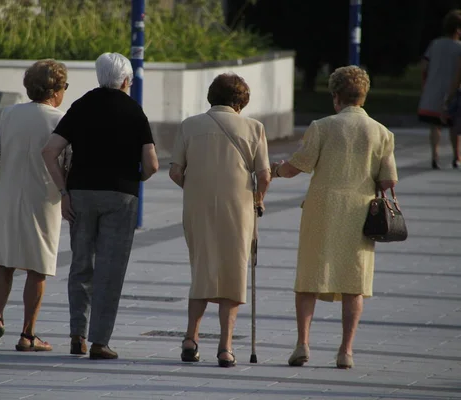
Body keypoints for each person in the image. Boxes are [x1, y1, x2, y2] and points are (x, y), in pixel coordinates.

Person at [271, 66, 398, 369]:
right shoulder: (381, 132)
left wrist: (275, 170)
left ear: (336, 96)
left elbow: (297, 166)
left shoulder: (322, 126)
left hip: (322, 209)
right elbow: (388, 181)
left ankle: (302, 344)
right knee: (354, 281)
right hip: (360, 212)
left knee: (309, 277)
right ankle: (346, 351)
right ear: (364, 96)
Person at [42, 52, 159, 360]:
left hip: (80, 193)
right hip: (121, 196)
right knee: (110, 269)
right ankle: (99, 342)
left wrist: (64, 190)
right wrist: (136, 178)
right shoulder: (135, 112)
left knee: (81, 264)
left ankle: (77, 336)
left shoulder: (81, 106)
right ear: (125, 81)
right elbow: (152, 164)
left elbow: (50, 151)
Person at [169, 73, 271, 368]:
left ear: (212, 96)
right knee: (234, 272)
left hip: (197, 207)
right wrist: (258, 199)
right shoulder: (254, 128)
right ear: (241, 101)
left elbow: (176, 172)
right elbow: (263, 175)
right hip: (239, 208)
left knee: (202, 268)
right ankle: (225, 348)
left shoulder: (190, 125)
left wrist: (196, 188)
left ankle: (191, 339)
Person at [0, 59, 69, 352]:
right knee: (37, 267)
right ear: (55, 90)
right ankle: (28, 334)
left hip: (7, 194)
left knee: (3, 261)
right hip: (43, 198)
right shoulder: (60, 120)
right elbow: (68, 162)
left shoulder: (10, 114)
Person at [418, 9, 461, 169]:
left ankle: (434, 157)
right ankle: (456, 157)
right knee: (453, 126)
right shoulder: (459, 47)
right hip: (452, 90)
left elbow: (424, 65)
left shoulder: (435, 44)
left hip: (432, 87)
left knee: (435, 125)